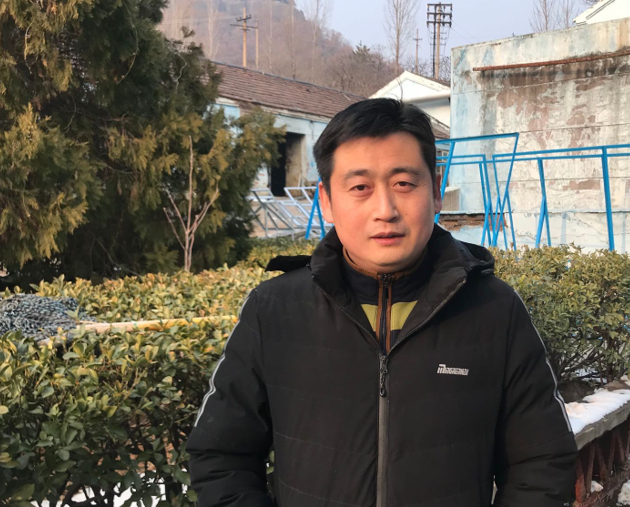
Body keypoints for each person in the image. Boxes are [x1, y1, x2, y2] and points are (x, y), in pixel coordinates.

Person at [187, 98, 577, 507]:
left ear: (436, 192)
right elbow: (221, 456)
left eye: (404, 183)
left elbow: (542, 462)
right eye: (360, 187)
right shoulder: (275, 310)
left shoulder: (493, 310)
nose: (385, 210)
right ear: (326, 200)